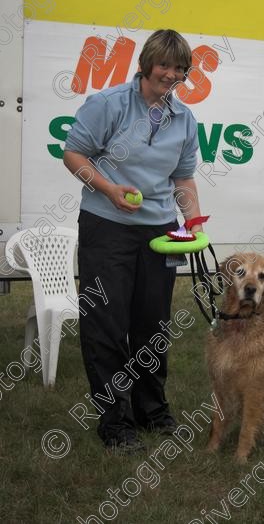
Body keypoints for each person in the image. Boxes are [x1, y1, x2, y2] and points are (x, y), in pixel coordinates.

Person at [63, 29, 202, 453]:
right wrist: (108, 189)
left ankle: (152, 411)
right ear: (146, 64)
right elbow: (73, 154)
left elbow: (183, 176)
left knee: (152, 325)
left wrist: (192, 220)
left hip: (159, 229)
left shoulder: (184, 119)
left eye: (179, 69)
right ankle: (115, 423)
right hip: (107, 226)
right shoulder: (108, 104)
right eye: (164, 65)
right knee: (106, 323)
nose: (171, 74)